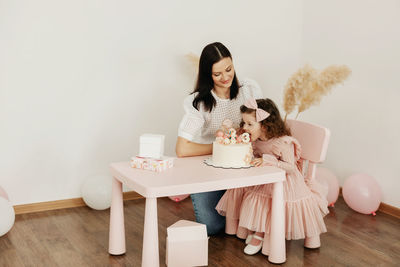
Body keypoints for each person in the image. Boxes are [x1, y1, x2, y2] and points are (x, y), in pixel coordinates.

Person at [216, 98, 329, 255]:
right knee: (252, 196)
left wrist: (268, 161)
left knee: (267, 201)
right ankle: (256, 231)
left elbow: (290, 167)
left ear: (265, 125)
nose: (245, 127)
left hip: (286, 182)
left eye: (250, 124)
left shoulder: (282, 143)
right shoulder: (257, 140)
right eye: (244, 123)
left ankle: (260, 235)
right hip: (266, 179)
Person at [176, 42, 263, 235]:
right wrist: (223, 148)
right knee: (214, 227)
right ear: (208, 75)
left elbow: (262, 126)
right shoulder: (199, 103)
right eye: (217, 74)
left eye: (229, 69)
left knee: (250, 221)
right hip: (209, 168)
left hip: (242, 166)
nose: (225, 78)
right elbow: (182, 149)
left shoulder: (248, 91)